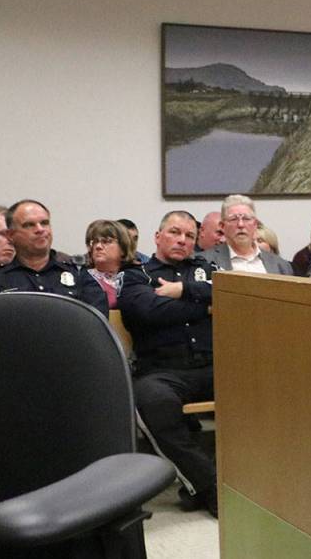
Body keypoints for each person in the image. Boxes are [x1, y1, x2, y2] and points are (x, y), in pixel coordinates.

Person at [118, 211, 217, 516]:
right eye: (174, 232)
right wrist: (205, 305)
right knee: (151, 403)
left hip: (214, 366)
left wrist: (182, 291)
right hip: (162, 371)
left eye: (189, 235)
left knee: (268, 385)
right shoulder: (138, 274)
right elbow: (149, 312)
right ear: (158, 237)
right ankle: (211, 487)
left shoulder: (206, 268)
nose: (182, 240)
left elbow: (233, 292)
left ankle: (255, 481)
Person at [0, 200, 108, 317]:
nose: (40, 229)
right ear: (10, 235)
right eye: (29, 225)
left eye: (44, 223)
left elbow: (97, 322)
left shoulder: (78, 274)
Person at [198, 195, 293, 275]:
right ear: (223, 226)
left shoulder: (281, 266)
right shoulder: (204, 261)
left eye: (246, 219)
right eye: (234, 219)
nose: (240, 225)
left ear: (255, 225)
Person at [85, 219, 136, 309]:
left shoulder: (135, 278)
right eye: (94, 242)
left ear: (123, 249)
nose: (98, 246)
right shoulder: (82, 279)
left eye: (106, 241)